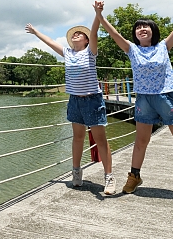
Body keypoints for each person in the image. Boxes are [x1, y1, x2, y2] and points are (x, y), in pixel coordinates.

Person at [93, 0, 173, 207]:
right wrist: (99, 15)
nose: (142, 29)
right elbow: (112, 32)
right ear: (134, 33)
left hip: (165, 98)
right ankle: (134, 176)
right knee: (141, 141)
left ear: (153, 31)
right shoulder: (131, 50)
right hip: (143, 99)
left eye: (146, 26)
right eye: (138, 27)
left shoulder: (163, 47)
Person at [25, 11, 116, 194]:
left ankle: (109, 177)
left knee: (100, 140)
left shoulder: (90, 52)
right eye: (73, 34)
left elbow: (95, 32)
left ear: (86, 40)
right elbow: (51, 43)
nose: (75, 35)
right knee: (78, 138)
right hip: (75, 100)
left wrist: (98, 14)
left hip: (92, 100)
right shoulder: (67, 53)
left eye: (79, 34)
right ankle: (76, 172)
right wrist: (36, 33)